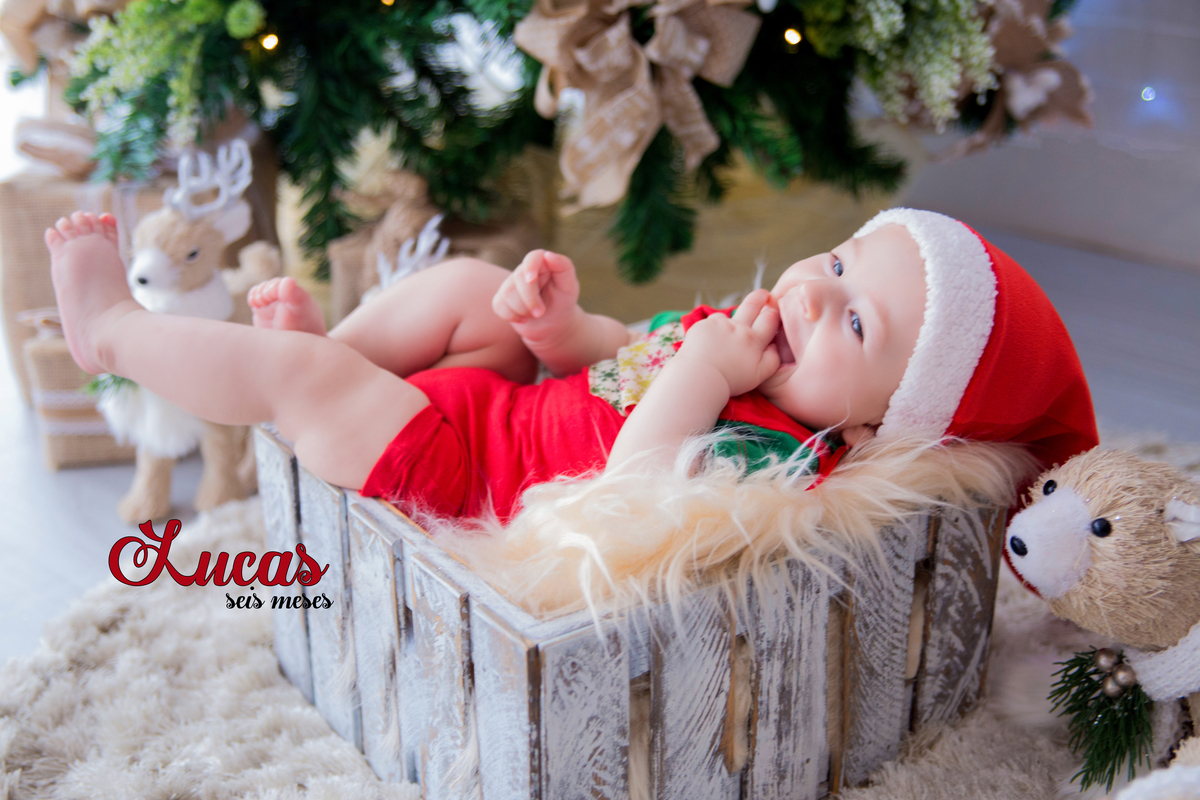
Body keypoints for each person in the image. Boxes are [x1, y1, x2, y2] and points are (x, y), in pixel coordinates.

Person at [45, 207, 1098, 522]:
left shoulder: (783, 459)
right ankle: (320, 355)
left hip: (463, 475)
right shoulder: (738, 340)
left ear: (878, 428)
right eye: (833, 262)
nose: (812, 292)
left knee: (310, 394)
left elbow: (637, 478)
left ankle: (114, 335)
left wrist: (708, 368)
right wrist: (561, 325)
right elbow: (620, 361)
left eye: (855, 325)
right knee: (469, 287)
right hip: (499, 403)